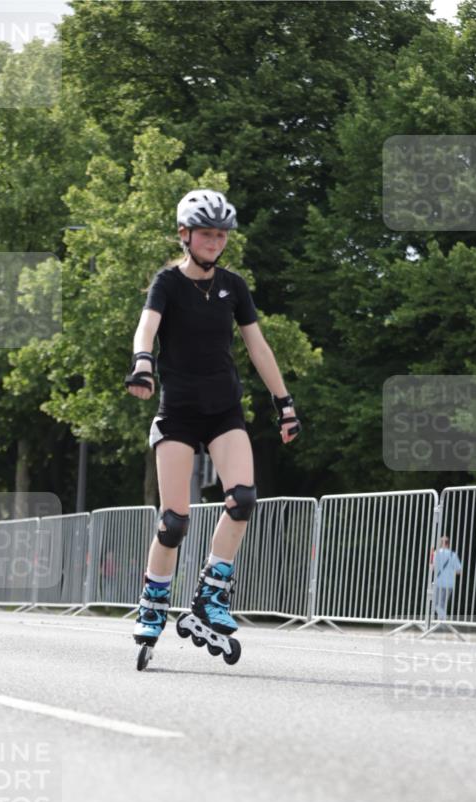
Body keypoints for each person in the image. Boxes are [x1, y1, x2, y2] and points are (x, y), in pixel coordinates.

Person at [124, 189, 301, 651]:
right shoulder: (167, 282)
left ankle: (210, 593)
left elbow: (258, 347)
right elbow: (147, 325)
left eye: (221, 234)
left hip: (224, 410)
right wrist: (143, 360)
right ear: (185, 235)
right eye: (206, 233)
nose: (214, 241)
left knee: (242, 499)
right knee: (174, 522)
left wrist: (284, 402)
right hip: (178, 413)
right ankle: (154, 599)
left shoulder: (233, 286)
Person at [432, 535, 462, 620]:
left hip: (438, 582)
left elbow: (432, 567)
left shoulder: (436, 553)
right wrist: (450, 572)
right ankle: (442, 621)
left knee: (436, 604)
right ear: (448, 544)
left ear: (440, 543)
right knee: (443, 604)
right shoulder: (453, 555)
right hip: (450, 583)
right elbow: (459, 570)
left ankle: (443, 619)